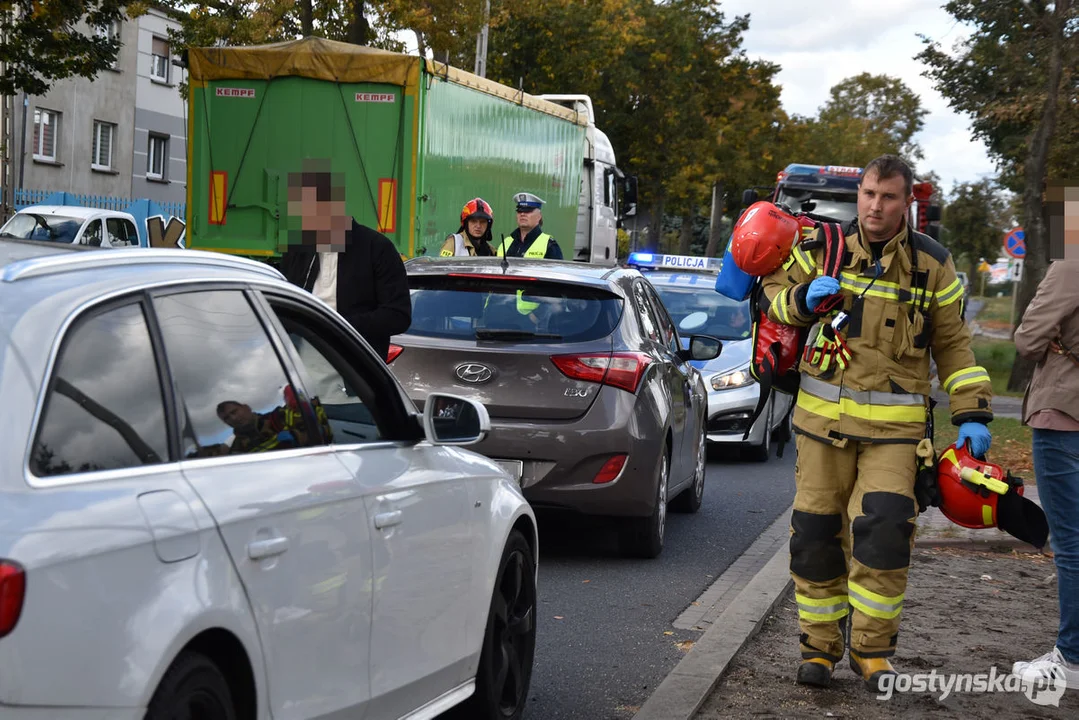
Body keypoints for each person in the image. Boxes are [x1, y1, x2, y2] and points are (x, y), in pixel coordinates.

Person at [761, 154, 993, 691]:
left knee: (885, 534)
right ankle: (818, 649)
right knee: (816, 534)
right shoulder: (821, 249)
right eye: (868, 194)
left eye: (887, 197)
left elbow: (955, 345)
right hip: (822, 424)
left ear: (906, 203)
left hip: (895, 435)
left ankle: (872, 651)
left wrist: (973, 412)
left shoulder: (931, 264)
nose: (874, 205)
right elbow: (772, 301)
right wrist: (800, 298)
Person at [1011, 259, 1079, 687]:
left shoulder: (1071, 265)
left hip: (1065, 413)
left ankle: (1071, 659)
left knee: (1072, 544)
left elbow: (1027, 339)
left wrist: (1057, 339)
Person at [277, 164, 412, 362]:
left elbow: (398, 315)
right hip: (301, 365)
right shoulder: (298, 250)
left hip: (354, 370)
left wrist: (338, 325)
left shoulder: (376, 248)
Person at [496, 192, 563, 259]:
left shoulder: (550, 246)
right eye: (519, 211)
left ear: (539, 216)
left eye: (527, 211)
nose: (522, 214)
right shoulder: (506, 242)